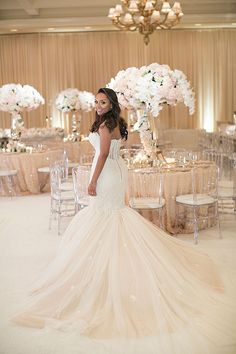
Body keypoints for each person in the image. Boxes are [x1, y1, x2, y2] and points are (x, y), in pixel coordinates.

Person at [11, 88, 235, 354]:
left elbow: (104, 153)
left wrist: (93, 180)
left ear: (111, 103)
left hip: (106, 173)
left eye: (102, 101)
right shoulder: (115, 121)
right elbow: (112, 151)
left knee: (106, 217)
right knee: (111, 217)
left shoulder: (105, 123)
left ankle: (107, 274)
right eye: (96, 102)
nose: (97, 105)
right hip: (116, 172)